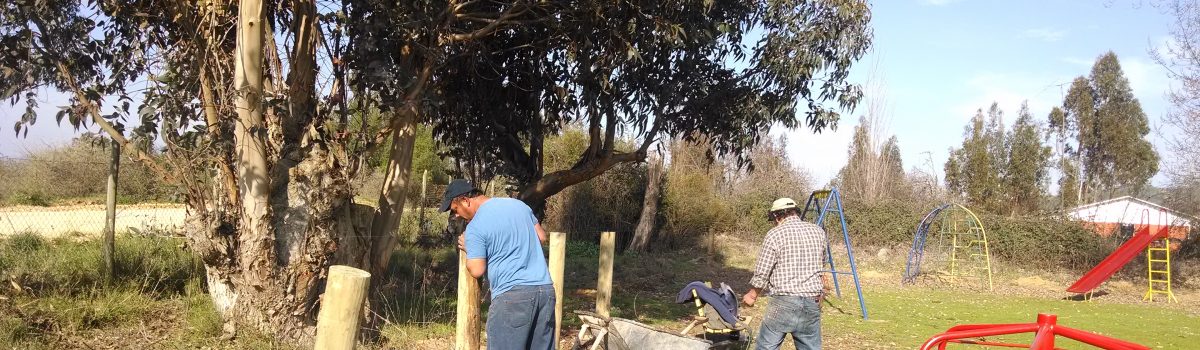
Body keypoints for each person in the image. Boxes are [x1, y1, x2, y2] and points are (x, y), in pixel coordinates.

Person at [441, 179, 555, 350]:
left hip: (512, 297)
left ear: (465, 200)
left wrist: (471, 248)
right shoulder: (518, 205)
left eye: (455, 210)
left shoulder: (475, 226)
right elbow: (541, 236)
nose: (456, 215)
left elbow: (477, 269)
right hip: (545, 292)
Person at [742, 197, 829, 350]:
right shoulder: (818, 231)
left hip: (783, 302)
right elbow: (822, 263)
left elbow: (763, 272)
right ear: (795, 212)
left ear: (777, 216)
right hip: (811, 301)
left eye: (773, 219)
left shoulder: (774, 234)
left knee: (766, 347)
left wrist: (752, 295)